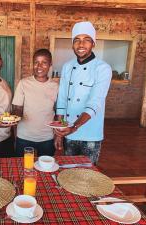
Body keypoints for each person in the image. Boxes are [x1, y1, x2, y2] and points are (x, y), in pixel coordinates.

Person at [54, 21, 112, 164]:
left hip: (90, 133)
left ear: (93, 43)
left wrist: (74, 127)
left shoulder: (103, 68)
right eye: (77, 40)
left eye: (86, 40)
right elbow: (61, 100)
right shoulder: (67, 67)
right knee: (69, 173)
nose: (81, 45)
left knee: (88, 177)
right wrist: (59, 133)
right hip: (69, 132)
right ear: (72, 44)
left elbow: (95, 103)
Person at [12, 49, 58, 156]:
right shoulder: (24, 83)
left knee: (45, 169)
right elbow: (17, 108)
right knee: (23, 167)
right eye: (36, 62)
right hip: (24, 136)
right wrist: (13, 118)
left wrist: (58, 135)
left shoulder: (55, 86)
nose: (39, 66)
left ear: (50, 64)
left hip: (47, 137)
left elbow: (57, 112)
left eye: (44, 63)